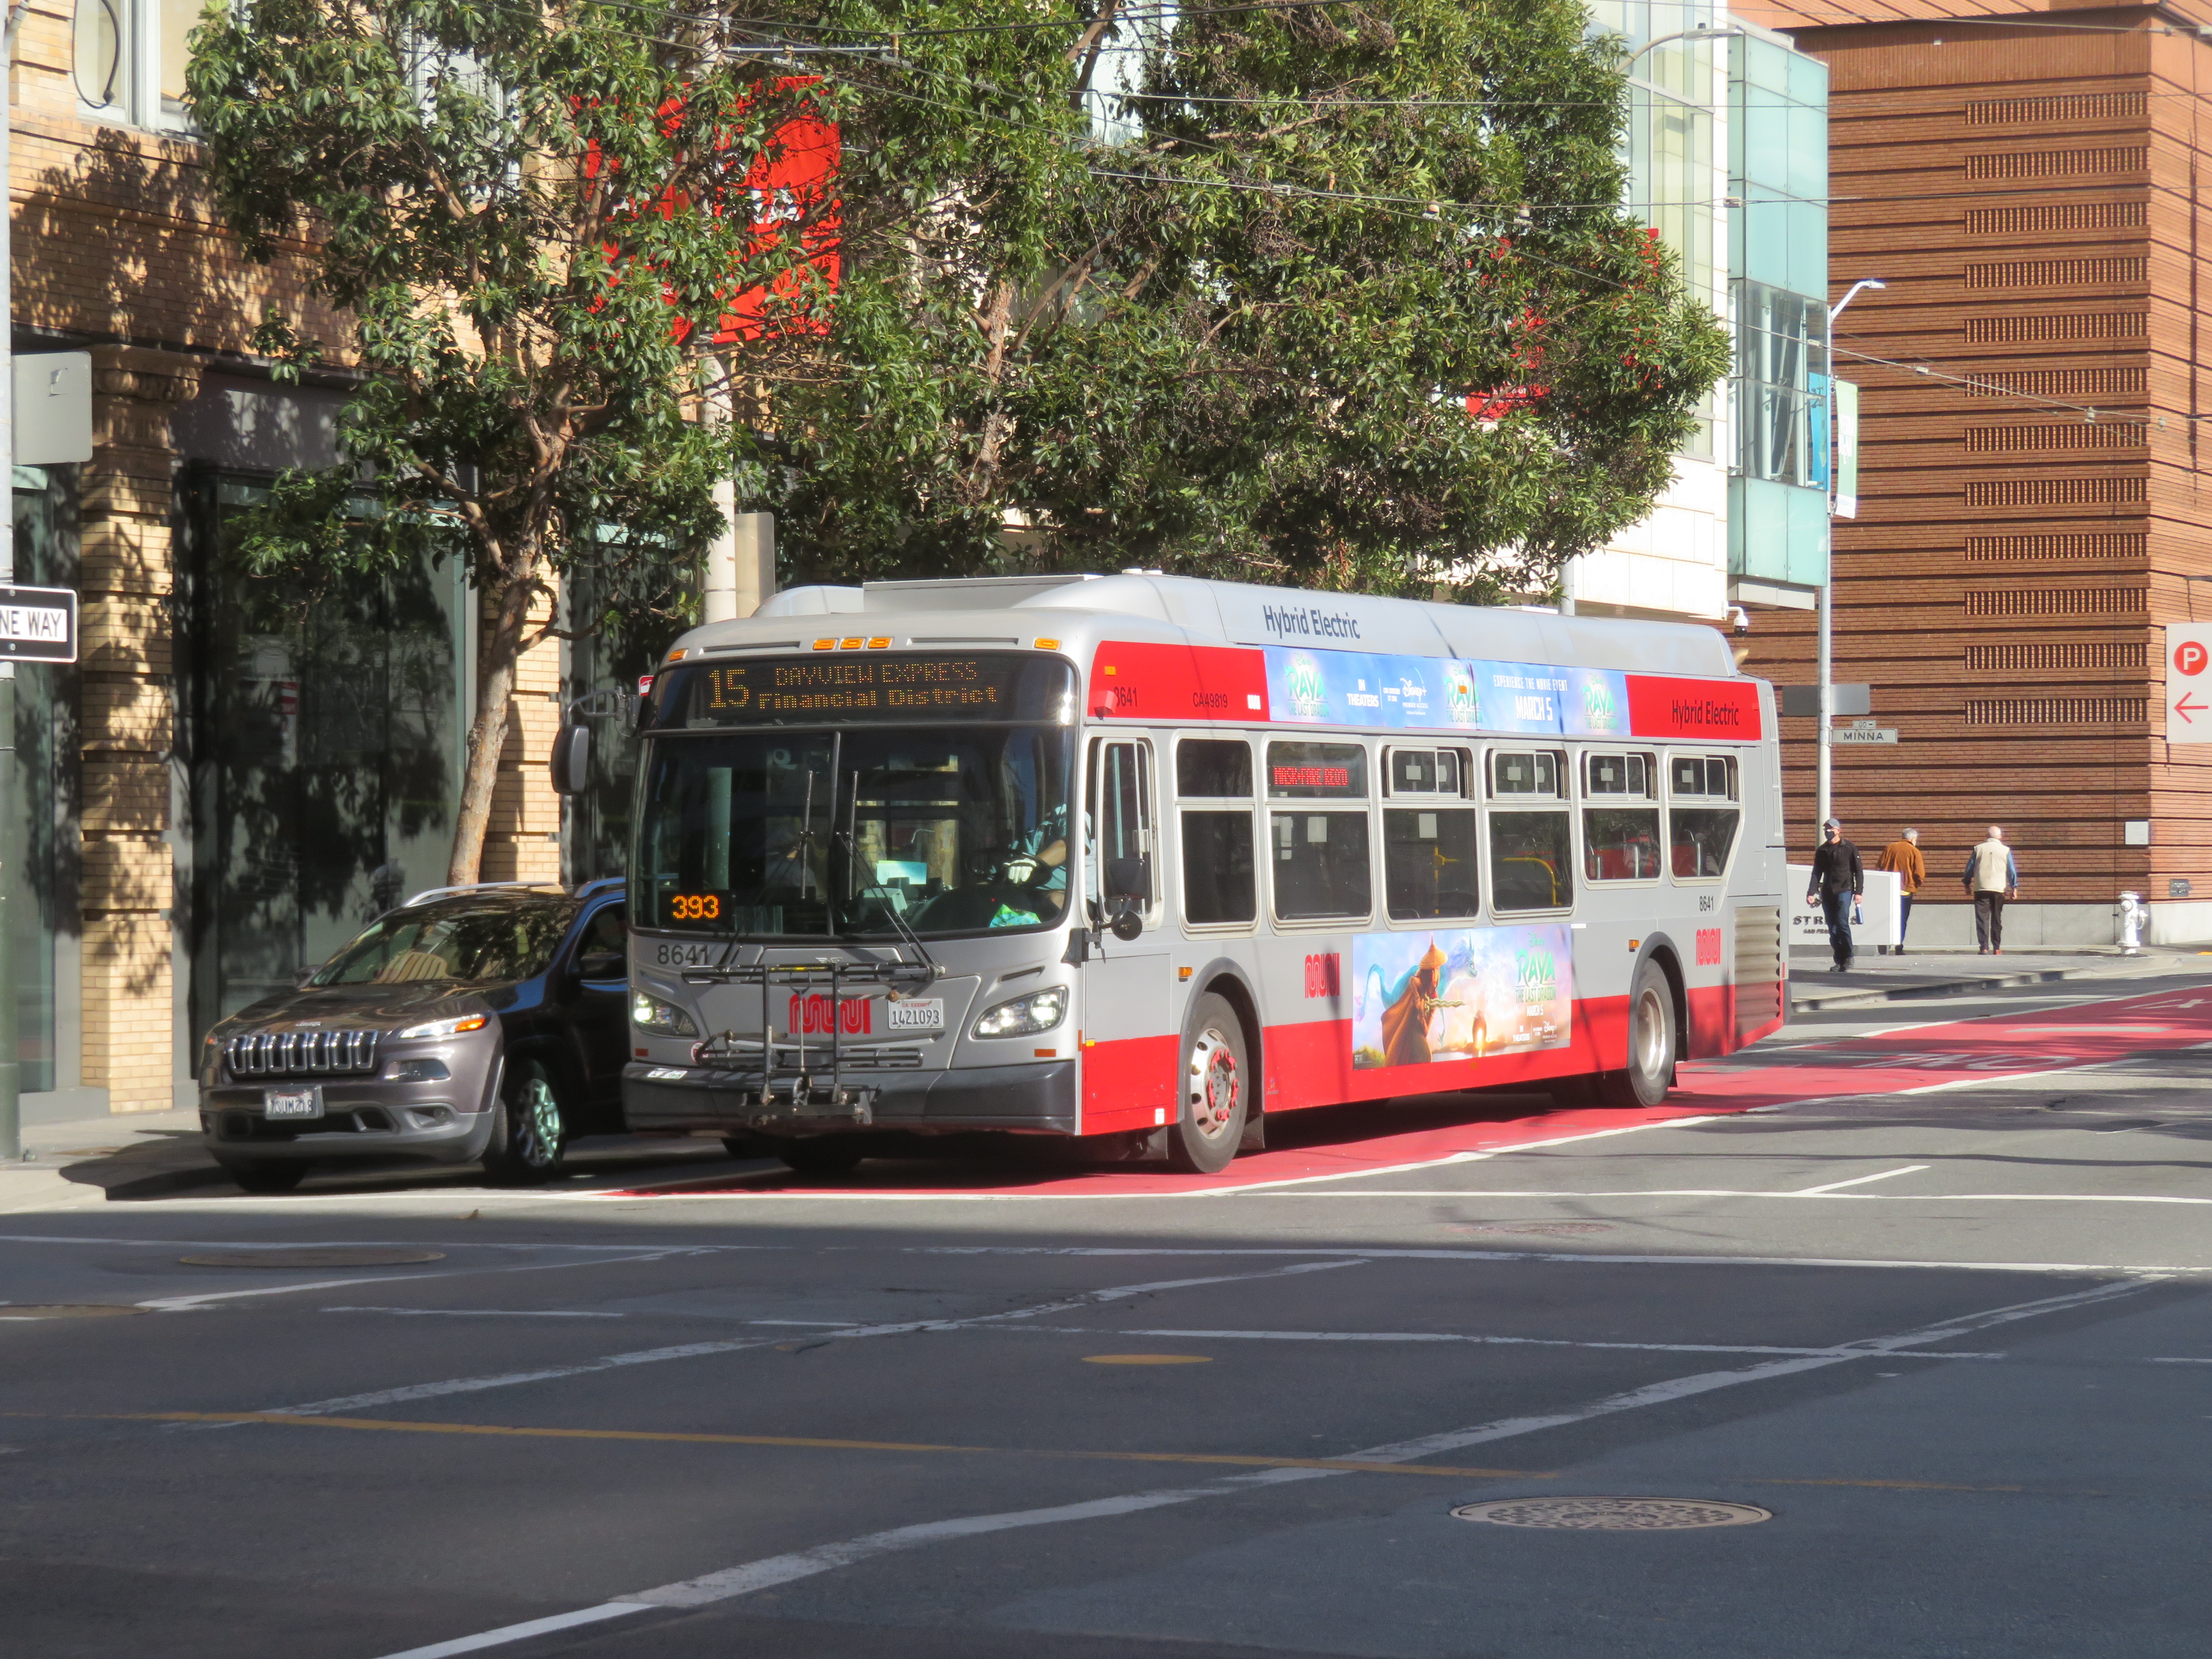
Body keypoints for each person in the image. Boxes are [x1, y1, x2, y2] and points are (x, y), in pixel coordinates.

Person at [1806, 818, 1864, 972]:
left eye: (1830, 829)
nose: (1827, 832)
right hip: (1828, 891)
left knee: (1842, 923)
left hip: (1845, 889)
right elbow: (1817, 872)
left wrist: (1859, 892)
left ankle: (1849, 956)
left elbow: (1858, 871)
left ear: (1838, 830)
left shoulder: (1849, 848)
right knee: (1832, 927)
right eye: (1825, 829)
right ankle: (1839, 960)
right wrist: (1811, 892)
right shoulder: (1823, 850)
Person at [1962, 824, 2020, 954]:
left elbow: (1969, 868)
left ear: (1987, 836)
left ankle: (1984, 947)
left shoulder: (1978, 849)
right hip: (1999, 888)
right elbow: (2012, 871)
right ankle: (1997, 948)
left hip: (1981, 887)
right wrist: (2014, 887)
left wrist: (1967, 884)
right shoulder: (2006, 851)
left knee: (1982, 919)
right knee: (1997, 918)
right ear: (2000, 837)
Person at [1875, 827, 1925, 955]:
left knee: (1886, 917)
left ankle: (1883, 942)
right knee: (1902, 919)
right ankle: (1899, 945)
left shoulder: (1890, 848)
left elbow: (1879, 866)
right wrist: (1915, 884)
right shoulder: (1914, 851)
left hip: (1888, 890)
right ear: (1913, 839)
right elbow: (1919, 874)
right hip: (1905, 890)